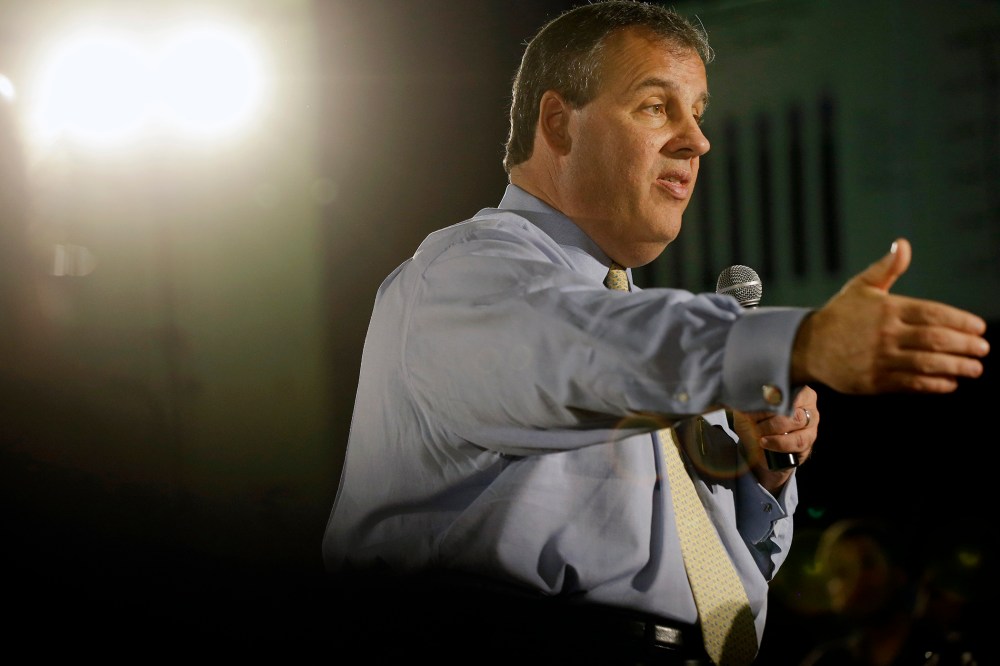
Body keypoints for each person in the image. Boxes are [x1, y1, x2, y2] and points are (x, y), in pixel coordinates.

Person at [321, 1, 989, 663]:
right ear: (559, 124)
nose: (696, 141)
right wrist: (798, 342)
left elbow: (732, 571)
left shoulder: (645, 339)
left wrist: (763, 470)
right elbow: (572, 351)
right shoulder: (465, 272)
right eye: (655, 106)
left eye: (697, 112)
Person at [799, 518, 983, 666]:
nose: (858, 580)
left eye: (867, 564)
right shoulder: (828, 661)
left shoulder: (951, 654)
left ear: (898, 571)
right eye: (842, 571)